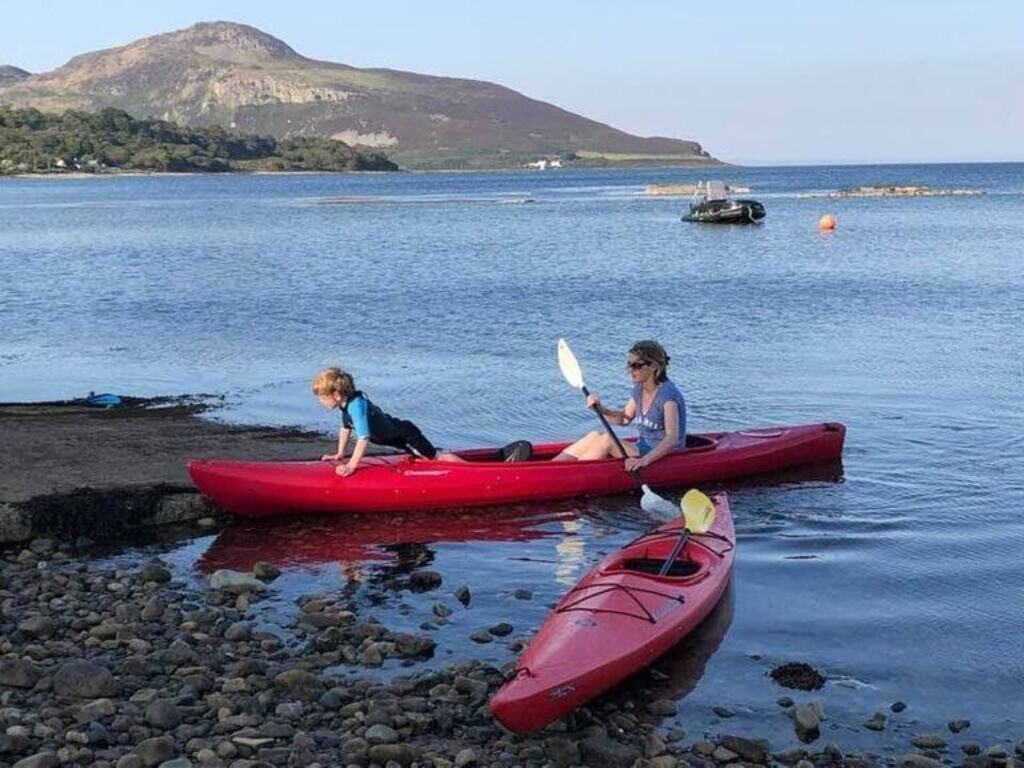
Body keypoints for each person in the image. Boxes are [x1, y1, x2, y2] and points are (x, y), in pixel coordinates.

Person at [553, 340, 686, 471]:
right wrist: (600, 409)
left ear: (653, 366)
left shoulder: (668, 397)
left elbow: (671, 439)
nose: (630, 370)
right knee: (594, 435)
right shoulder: (639, 389)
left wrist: (643, 461)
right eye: (629, 365)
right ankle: (551, 468)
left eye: (636, 366)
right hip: (643, 447)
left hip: (666, 455)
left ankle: (569, 475)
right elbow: (624, 419)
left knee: (606, 440)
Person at [312, 367, 461, 476]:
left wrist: (351, 466)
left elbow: (363, 438)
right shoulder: (345, 405)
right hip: (397, 435)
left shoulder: (356, 406)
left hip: (405, 436)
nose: (320, 401)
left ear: (337, 395)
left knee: (435, 457)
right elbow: (345, 429)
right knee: (429, 458)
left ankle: (473, 470)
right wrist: (340, 454)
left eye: (322, 397)